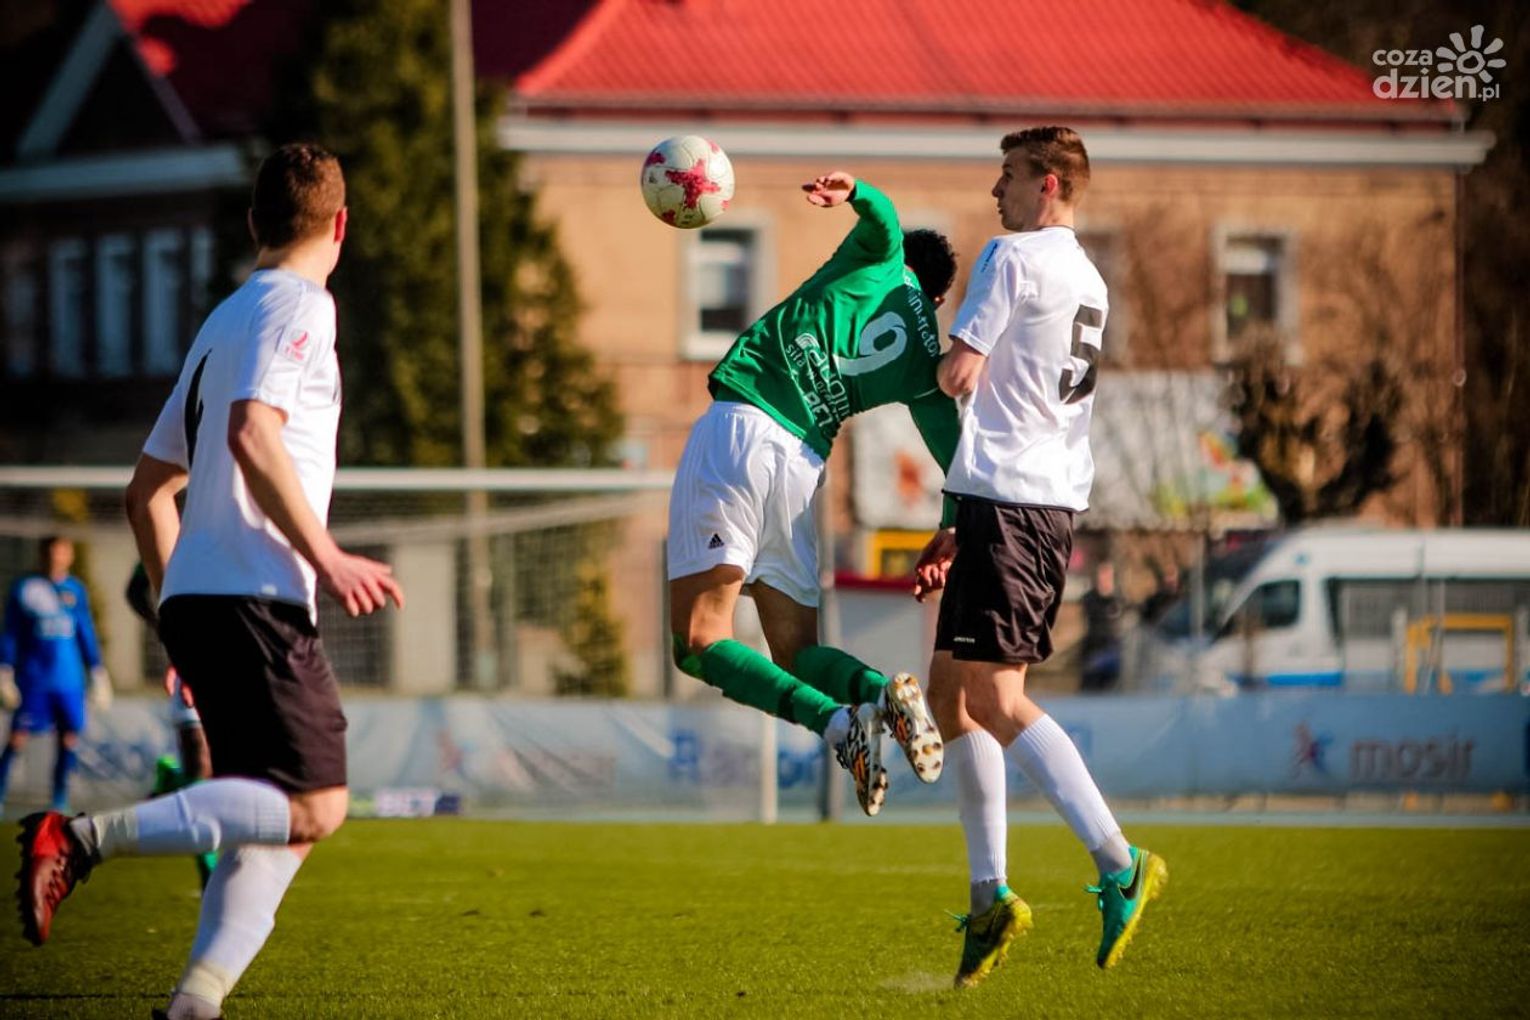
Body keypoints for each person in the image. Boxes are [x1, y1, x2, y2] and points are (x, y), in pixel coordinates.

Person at [16, 143, 404, 1020]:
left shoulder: (225, 319)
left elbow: (146, 492)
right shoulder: (302, 304)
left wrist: (175, 621)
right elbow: (252, 432)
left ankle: (195, 1001)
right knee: (318, 807)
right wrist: (328, 555)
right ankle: (78, 839)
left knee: (272, 819)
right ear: (342, 225)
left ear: (253, 222)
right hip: (257, 595)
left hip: (201, 599)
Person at [913, 127, 1167, 987]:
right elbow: (1017, 391)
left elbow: (959, 375)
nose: (997, 191)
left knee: (996, 697)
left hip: (1016, 505)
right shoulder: (1088, 275)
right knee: (951, 694)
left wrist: (902, 347)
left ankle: (1120, 862)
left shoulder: (1012, 256)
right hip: (1018, 501)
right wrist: (961, 516)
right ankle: (989, 897)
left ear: (1048, 183)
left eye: (1009, 176)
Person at [669, 171, 957, 816]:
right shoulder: (926, 366)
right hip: (801, 466)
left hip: (742, 429)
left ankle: (837, 722)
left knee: (699, 640)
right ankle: (879, 694)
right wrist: (949, 528)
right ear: (938, 299)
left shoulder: (880, 259)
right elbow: (958, 461)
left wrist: (856, 192)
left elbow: (883, 221)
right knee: (797, 653)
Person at [0, 536, 112, 814]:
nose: (56, 558)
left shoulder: (76, 589)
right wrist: (5, 669)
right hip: (34, 679)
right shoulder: (26, 588)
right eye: (52, 553)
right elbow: (11, 632)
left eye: (62, 553)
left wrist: (97, 670)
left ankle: (59, 798)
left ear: (69, 556)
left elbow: (85, 631)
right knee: (17, 737)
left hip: (68, 680)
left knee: (68, 738)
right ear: (42, 555)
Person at [127, 563, 217, 887]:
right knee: (200, 761)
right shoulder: (175, 540)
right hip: (189, 658)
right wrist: (167, 629)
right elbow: (135, 590)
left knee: (224, 771)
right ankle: (209, 869)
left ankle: (171, 778)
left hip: (240, 657)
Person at [1078, 560, 1127, 692]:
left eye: (1107, 575)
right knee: (1090, 687)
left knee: (1112, 689)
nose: (1104, 578)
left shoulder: (1119, 599)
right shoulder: (1089, 599)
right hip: (1094, 649)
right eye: (1102, 574)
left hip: (1113, 649)